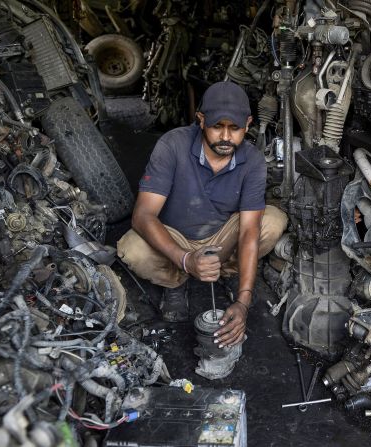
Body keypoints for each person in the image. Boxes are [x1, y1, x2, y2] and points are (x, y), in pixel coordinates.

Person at [117, 81, 287, 349]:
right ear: (201, 120)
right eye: (217, 126)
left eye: (235, 128)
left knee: (273, 220)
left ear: (249, 123)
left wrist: (243, 301)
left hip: (222, 240)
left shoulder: (252, 160)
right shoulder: (172, 145)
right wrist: (185, 260)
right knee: (132, 248)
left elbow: (249, 231)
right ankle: (175, 283)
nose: (226, 137)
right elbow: (143, 215)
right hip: (176, 239)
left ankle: (229, 273)